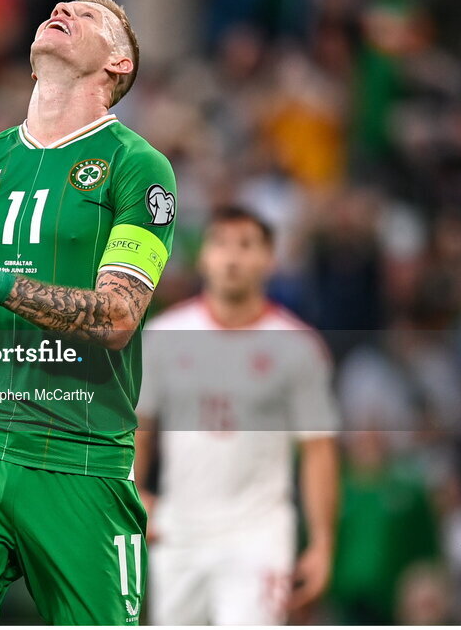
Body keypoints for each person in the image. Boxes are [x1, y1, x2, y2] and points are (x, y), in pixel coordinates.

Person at [0, 0, 176, 625]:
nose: (61, 9)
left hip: (77, 448)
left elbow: (116, 318)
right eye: (60, 7)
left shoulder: (138, 168)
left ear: (118, 64)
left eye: (90, 16)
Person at [134, 205, 340, 625]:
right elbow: (139, 427)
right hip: (178, 531)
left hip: (258, 533)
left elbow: (318, 450)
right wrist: (135, 494)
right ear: (203, 256)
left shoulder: (297, 347)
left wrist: (321, 543)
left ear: (269, 259)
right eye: (221, 243)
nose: (232, 257)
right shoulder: (162, 337)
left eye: (246, 245)